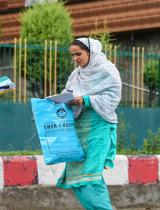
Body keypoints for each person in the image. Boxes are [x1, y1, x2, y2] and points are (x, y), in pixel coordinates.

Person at [56, 37, 122, 210]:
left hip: (98, 127)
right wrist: (61, 99)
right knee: (75, 177)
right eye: (73, 55)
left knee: (91, 175)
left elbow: (113, 97)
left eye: (78, 54)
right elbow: (68, 92)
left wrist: (85, 99)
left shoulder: (107, 70)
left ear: (91, 52)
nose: (75, 58)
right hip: (78, 129)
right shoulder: (76, 73)